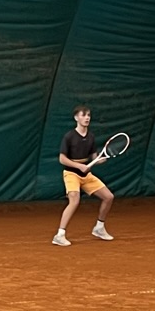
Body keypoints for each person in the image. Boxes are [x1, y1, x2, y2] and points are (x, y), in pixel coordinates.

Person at [53, 103, 114, 246]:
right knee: (74, 200)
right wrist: (79, 166)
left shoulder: (91, 137)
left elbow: (93, 157)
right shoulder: (69, 136)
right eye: (83, 115)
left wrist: (99, 160)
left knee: (108, 197)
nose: (87, 118)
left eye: (89, 115)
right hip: (71, 174)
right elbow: (62, 159)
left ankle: (99, 228)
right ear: (76, 118)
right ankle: (59, 235)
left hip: (86, 175)